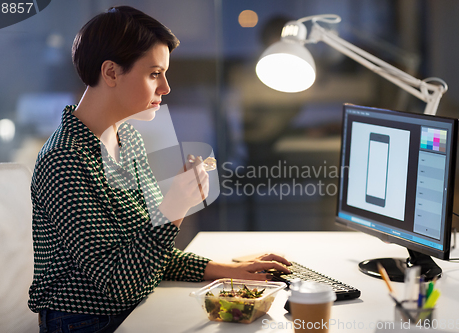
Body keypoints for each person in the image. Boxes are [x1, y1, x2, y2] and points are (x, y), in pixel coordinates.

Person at [29, 6, 291, 333]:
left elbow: (146, 252)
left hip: (135, 306)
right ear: (111, 73)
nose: (165, 87)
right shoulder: (63, 159)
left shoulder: (128, 138)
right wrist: (175, 208)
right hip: (87, 322)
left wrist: (230, 269)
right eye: (154, 73)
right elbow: (118, 282)